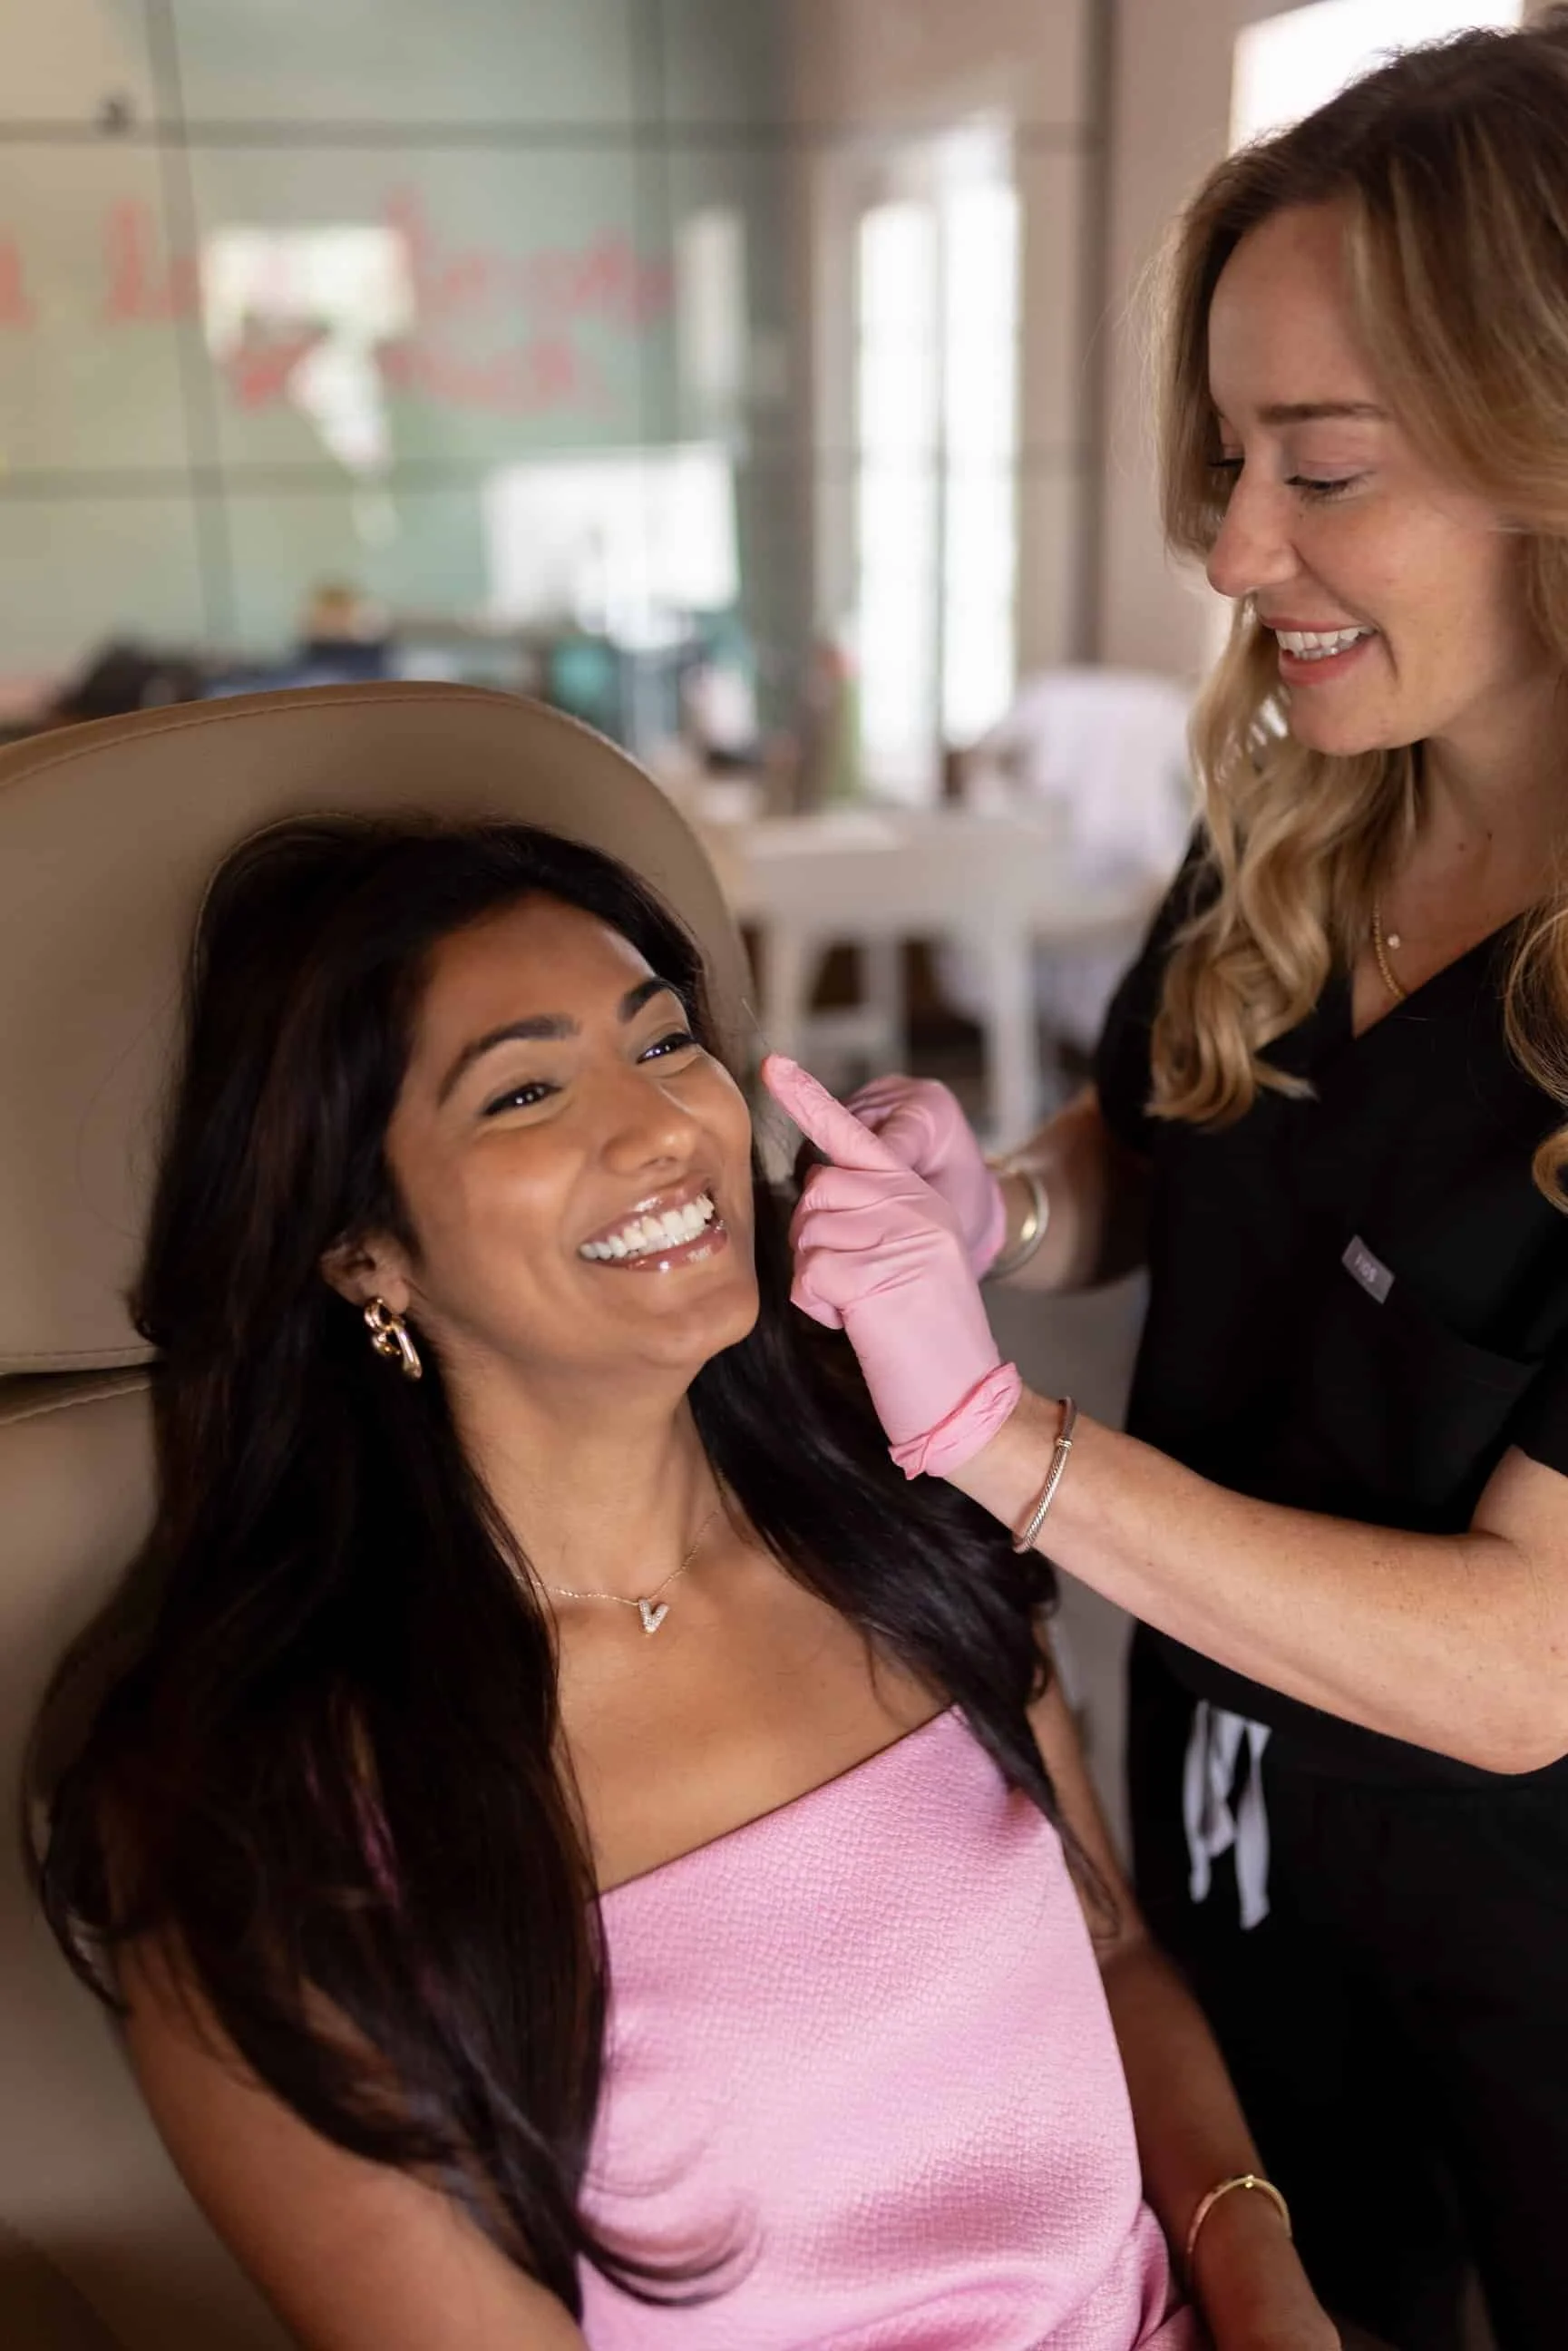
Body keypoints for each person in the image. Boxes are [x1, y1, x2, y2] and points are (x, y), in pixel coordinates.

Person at [28, 815, 1332, 2350]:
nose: (663, 1132)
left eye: (665, 1044)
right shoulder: (263, 1814)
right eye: (524, 1090)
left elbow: (1107, 1948)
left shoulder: (895, 1512)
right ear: (362, 1252)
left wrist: (1268, 2288)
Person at [768, 18, 1568, 2350]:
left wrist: (986, 1438)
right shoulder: (1322, 792)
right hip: (1231, 1821)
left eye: (1323, 469)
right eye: (1229, 459)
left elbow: (1529, 1666)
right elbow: (1185, 1142)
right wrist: (993, 1202)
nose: (1233, 553)